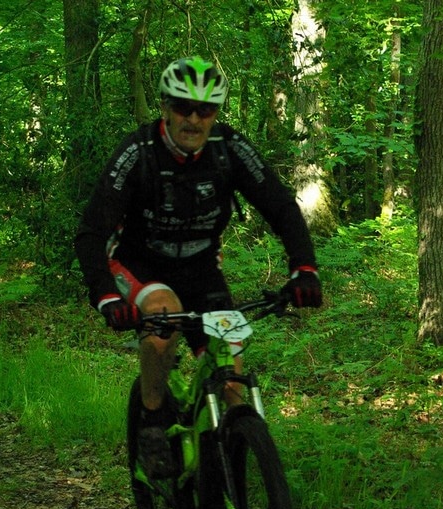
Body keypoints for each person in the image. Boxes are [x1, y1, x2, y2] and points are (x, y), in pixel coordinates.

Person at [75, 55, 321, 482]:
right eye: (183, 107)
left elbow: (281, 206)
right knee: (164, 318)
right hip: (139, 264)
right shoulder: (138, 153)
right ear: (165, 108)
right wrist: (106, 296)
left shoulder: (228, 148)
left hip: (201, 269)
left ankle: (228, 474)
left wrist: (304, 268)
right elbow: (92, 231)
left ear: (216, 113)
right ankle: (153, 420)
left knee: (232, 379)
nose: (193, 119)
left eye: (205, 110)